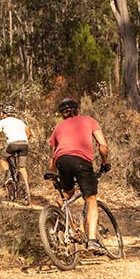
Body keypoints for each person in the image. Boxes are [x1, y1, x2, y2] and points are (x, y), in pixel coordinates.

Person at [47, 98, 111, 253]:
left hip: (62, 161)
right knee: (91, 200)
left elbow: (53, 155)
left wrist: (53, 174)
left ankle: (65, 224)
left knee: (67, 193)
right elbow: (102, 146)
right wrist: (104, 162)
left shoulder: (58, 127)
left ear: (62, 114)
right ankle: (92, 241)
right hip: (81, 161)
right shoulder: (89, 121)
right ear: (77, 110)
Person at [0, 105, 32, 205]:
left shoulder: (2, 122)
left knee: (3, 158)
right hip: (24, 144)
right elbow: (29, 133)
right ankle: (27, 190)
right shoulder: (20, 121)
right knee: (22, 167)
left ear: (4, 114)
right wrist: (24, 141)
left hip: (12, 145)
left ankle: (9, 176)